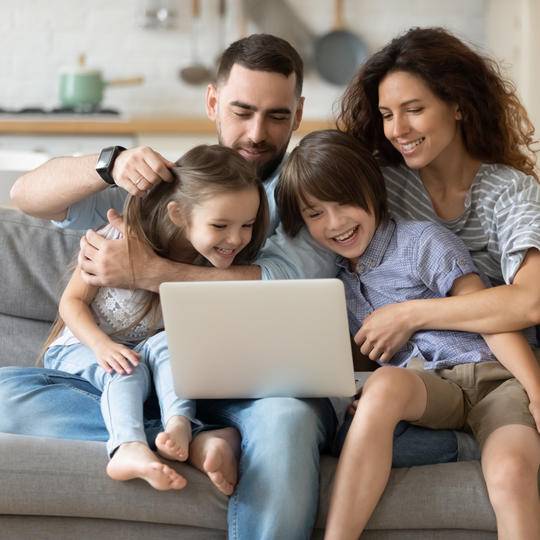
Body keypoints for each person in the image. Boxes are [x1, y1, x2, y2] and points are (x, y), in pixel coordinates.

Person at [3, 33, 466, 538]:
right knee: (9, 393)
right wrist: (107, 163)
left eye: (276, 116)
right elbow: (28, 196)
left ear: (298, 111)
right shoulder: (172, 188)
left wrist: (148, 272)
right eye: (242, 111)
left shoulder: (304, 192)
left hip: (264, 389)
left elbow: (279, 281)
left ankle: (193, 434)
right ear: (212, 102)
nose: (256, 133)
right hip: (158, 383)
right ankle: (197, 438)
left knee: (286, 422)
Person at [276, 129, 540, 540]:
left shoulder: (421, 241)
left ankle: (481, 442)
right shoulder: (338, 285)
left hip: (494, 381)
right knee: (378, 390)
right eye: (315, 214)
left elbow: (493, 318)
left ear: (371, 188)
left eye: (344, 201)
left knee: (510, 470)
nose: (336, 222)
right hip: (432, 390)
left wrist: (537, 391)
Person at [40, 144, 268, 493]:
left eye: (247, 225)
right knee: (126, 369)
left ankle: (178, 423)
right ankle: (128, 448)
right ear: (178, 214)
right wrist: (102, 346)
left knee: (168, 345)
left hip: (146, 360)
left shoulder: (208, 265)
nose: (236, 238)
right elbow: (71, 303)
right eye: (220, 225)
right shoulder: (120, 239)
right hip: (84, 347)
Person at [336, 26, 540, 363]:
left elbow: (531, 300)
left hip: (500, 370)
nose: (398, 130)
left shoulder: (509, 191)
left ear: (458, 106)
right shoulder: (380, 187)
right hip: (412, 376)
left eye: (414, 110)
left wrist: (409, 314)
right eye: (387, 115)